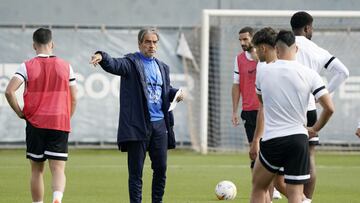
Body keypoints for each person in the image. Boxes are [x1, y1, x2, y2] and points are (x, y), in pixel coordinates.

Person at [89, 28, 183, 203]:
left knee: (161, 169)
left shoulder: (163, 67)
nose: (151, 45)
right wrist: (101, 56)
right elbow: (114, 64)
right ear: (140, 44)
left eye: (154, 42)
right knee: (135, 172)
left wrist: (175, 93)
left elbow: (165, 90)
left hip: (160, 125)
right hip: (138, 125)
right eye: (147, 42)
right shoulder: (131, 63)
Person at [250, 30, 334, 203]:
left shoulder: (263, 72)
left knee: (259, 187)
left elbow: (262, 102)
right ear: (296, 49)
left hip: (273, 139)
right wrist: (314, 129)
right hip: (298, 138)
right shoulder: (310, 74)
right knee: (296, 194)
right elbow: (330, 108)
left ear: (277, 49)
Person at [5, 28, 77, 203]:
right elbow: (74, 98)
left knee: (37, 171)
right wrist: (66, 117)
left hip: (35, 123)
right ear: (52, 44)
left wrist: (20, 113)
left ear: (33, 45)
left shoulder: (26, 65)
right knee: (58, 169)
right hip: (59, 122)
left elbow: (9, 92)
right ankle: (57, 198)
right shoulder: (66, 66)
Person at [291, 11, 349, 202]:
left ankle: (276, 194)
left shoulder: (282, 45)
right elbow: (343, 72)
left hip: (284, 108)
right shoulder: (316, 49)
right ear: (307, 28)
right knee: (310, 158)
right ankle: (306, 200)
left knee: (278, 155)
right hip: (308, 109)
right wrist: (323, 94)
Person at [231, 26, 259, 168]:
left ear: (253, 38)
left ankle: (274, 190)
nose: (242, 43)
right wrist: (235, 111)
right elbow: (236, 85)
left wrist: (259, 60)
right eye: (240, 40)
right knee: (254, 154)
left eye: (245, 39)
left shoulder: (265, 57)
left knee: (268, 153)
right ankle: (258, 189)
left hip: (265, 111)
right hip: (248, 111)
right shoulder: (239, 59)